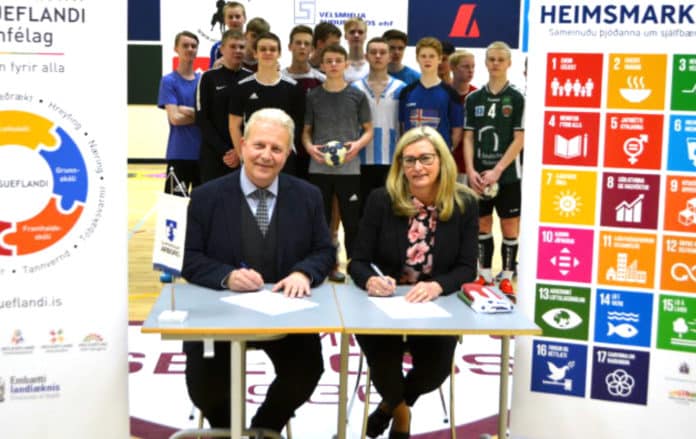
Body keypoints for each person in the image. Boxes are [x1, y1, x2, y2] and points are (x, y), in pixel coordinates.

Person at [182, 108, 335, 437]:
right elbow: (189, 258)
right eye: (259, 145)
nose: (266, 155)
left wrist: (303, 273)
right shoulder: (206, 197)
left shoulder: (308, 196)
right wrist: (226, 276)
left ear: (288, 154)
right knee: (205, 385)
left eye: (277, 148)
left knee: (306, 370)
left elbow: (325, 251)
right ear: (242, 146)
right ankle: (227, 431)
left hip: (287, 317)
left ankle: (264, 429)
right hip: (218, 317)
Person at [349, 126, 478, 439]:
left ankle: (388, 407)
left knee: (434, 371)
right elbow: (358, 261)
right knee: (385, 365)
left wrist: (437, 286)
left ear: (441, 160)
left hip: (436, 304)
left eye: (425, 158)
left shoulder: (464, 203)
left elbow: (466, 268)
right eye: (409, 160)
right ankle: (402, 416)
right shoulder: (381, 200)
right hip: (385, 305)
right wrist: (371, 281)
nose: (417, 167)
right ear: (400, 165)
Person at [303, 44, 373, 282]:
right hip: (319, 168)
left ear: (346, 64)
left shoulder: (357, 95)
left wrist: (357, 145)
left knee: (352, 222)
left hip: (349, 169)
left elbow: (368, 130)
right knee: (321, 221)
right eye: (329, 61)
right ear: (322, 65)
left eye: (338, 60)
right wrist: (309, 147)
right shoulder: (313, 96)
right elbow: (306, 131)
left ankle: (355, 266)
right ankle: (326, 265)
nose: (333, 65)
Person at [463, 41, 524, 299]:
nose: (496, 63)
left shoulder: (517, 98)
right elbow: (468, 137)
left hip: (507, 176)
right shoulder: (473, 98)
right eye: (491, 59)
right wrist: (470, 170)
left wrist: (498, 170)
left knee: (509, 226)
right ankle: (484, 275)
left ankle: (507, 277)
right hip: (479, 176)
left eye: (501, 59)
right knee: (483, 223)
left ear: (509, 63)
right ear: (485, 63)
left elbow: (520, 138)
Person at [229, 32, 305, 176]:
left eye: (272, 49)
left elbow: (298, 127)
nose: (268, 53)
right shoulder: (242, 87)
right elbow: (234, 126)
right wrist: (243, 156)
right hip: (253, 157)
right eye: (263, 49)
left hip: (283, 158)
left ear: (279, 53)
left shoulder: (293, 88)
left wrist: (284, 152)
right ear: (255, 53)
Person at [352, 37, 405, 211]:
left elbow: (404, 125)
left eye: (382, 52)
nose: (378, 56)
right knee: (362, 212)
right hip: (361, 160)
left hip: (392, 159)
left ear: (389, 57)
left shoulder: (401, 88)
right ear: (366, 56)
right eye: (373, 52)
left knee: (390, 210)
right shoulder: (355, 88)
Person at [196, 29, 251, 183]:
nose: (237, 50)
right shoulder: (208, 78)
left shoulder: (251, 78)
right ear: (222, 49)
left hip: (244, 155)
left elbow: (254, 119)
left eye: (241, 47)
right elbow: (202, 119)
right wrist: (226, 151)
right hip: (214, 155)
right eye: (232, 46)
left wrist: (239, 151)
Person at [157, 30, 202, 196]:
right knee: (174, 206)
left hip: (203, 155)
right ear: (176, 48)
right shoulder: (169, 81)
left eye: (193, 46)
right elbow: (175, 118)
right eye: (185, 45)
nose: (190, 49)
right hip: (179, 154)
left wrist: (187, 110)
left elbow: (211, 116)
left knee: (202, 206)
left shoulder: (203, 80)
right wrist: (200, 116)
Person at [398, 37, 463, 150]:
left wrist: (445, 153)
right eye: (423, 56)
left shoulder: (451, 94)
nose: (427, 60)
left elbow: (457, 130)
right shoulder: (406, 92)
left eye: (432, 56)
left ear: (439, 59)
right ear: (417, 59)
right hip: (412, 154)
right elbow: (403, 127)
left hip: (440, 155)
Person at [282, 25, 326, 180]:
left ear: (312, 49)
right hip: (284, 148)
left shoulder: (321, 80)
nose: (302, 47)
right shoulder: (279, 78)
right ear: (290, 46)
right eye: (298, 43)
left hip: (313, 149)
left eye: (306, 44)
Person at [449, 49, 477, 183]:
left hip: (469, 163)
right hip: (446, 159)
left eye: (473, 66)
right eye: (465, 66)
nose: (470, 70)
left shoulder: (477, 96)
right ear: (453, 68)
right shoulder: (442, 93)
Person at [208, 1, 246, 69]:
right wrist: (216, 66)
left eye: (237, 17)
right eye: (230, 17)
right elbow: (210, 73)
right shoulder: (217, 48)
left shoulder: (254, 45)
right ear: (224, 20)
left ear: (245, 18)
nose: (234, 20)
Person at [343, 17, 370, 82]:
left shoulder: (373, 63)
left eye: (360, 32)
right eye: (352, 32)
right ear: (345, 36)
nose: (356, 35)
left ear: (365, 36)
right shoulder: (339, 63)